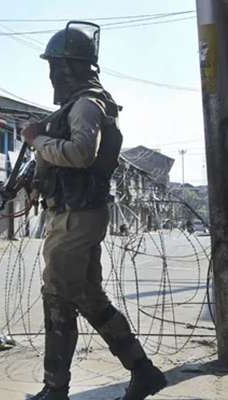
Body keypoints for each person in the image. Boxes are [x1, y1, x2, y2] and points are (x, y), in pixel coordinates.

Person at [20, 22, 166, 400]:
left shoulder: (86, 104)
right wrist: (38, 181)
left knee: (57, 296)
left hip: (76, 217)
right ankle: (144, 371)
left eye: (55, 65)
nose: (52, 74)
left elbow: (82, 154)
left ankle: (56, 389)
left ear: (69, 66)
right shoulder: (84, 101)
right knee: (87, 296)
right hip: (76, 213)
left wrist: (38, 140)